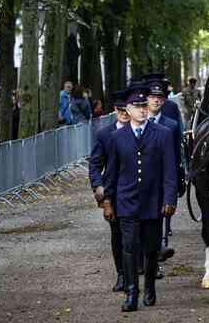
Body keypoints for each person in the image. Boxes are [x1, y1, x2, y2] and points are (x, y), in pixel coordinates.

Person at [102, 84, 177, 312]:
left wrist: (169, 200)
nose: (143, 109)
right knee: (128, 248)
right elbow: (111, 173)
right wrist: (107, 202)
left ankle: (150, 287)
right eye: (138, 106)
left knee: (151, 249)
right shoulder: (116, 137)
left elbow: (170, 171)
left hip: (153, 202)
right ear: (128, 109)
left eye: (145, 105)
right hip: (126, 202)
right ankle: (132, 292)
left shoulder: (162, 134)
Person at [89, 90, 130, 292]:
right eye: (120, 110)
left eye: (126, 110)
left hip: (137, 192)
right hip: (114, 192)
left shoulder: (141, 130)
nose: (124, 113)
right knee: (118, 236)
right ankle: (122, 274)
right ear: (115, 110)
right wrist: (99, 188)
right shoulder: (104, 135)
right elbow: (95, 164)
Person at [144, 76, 184, 276]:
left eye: (161, 96)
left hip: (162, 178)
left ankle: (158, 250)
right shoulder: (136, 119)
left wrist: (180, 174)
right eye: (152, 96)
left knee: (158, 219)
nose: (157, 100)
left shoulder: (171, 123)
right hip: (140, 180)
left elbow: (177, 150)